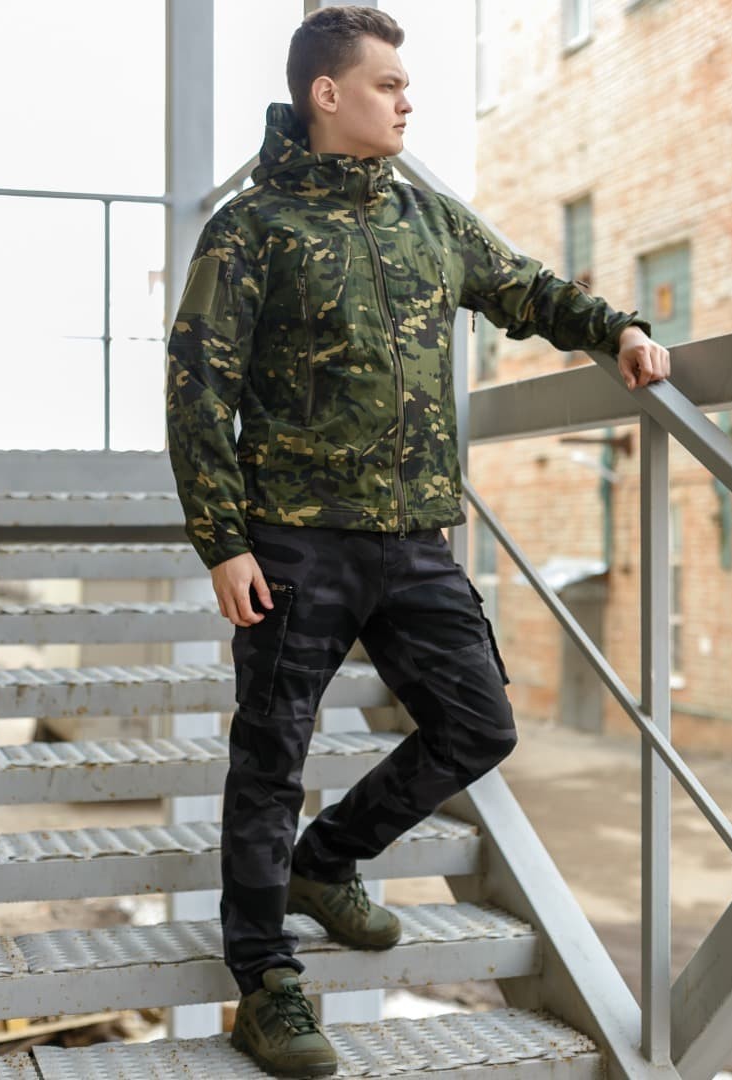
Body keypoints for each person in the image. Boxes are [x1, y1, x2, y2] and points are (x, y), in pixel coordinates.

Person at [165, 7, 670, 1076]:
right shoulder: (253, 229)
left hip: (415, 539)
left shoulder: (425, 218)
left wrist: (616, 327)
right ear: (327, 94)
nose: (408, 100)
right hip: (295, 540)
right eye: (388, 83)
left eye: (405, 83)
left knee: (479, 724)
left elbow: (524, 287)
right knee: (272, 755)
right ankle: (264, 980)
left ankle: (326, 860)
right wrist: (223, 539)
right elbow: (198, 387)